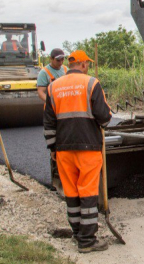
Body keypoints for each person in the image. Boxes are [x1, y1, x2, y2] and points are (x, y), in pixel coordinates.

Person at [44, 50, 112, 252]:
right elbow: (104, 117)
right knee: (88, 191)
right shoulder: (91, 84)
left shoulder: (53, 87)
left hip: (63, 148)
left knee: (71, 192)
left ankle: (76, 233)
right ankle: (87, 240)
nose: (88, 67)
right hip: (88, 147)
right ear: (82, 64)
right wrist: (105, 119)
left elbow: (48, 121)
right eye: (87, 64)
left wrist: (52, 147)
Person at [37, 48, 68, 194]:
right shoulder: (44, 73)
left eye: (62, 59)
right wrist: (51, 103)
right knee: (54, 142)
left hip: (66, 110)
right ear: (51, 59)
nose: (60, 62)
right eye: (58, 60)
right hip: (53, 112)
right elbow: (41, 91)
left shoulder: (65, 70)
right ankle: (56, 177)